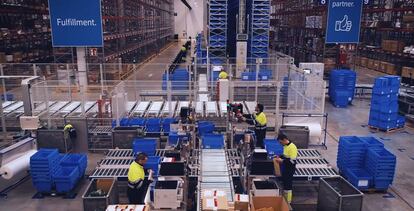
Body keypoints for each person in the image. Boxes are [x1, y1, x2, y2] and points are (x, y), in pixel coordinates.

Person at [274, 133, 298, 204]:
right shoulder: (285, 146)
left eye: (281, 142)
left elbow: (292, 161)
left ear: (284, 140)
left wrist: (282, 160)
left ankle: (288, 202)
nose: (281, 144)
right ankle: (284, 200)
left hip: (290, 169)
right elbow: (285, 155)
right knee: (285, 183)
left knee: (288, 185)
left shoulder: (292, 147)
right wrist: (279, 156)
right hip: (285, 168)